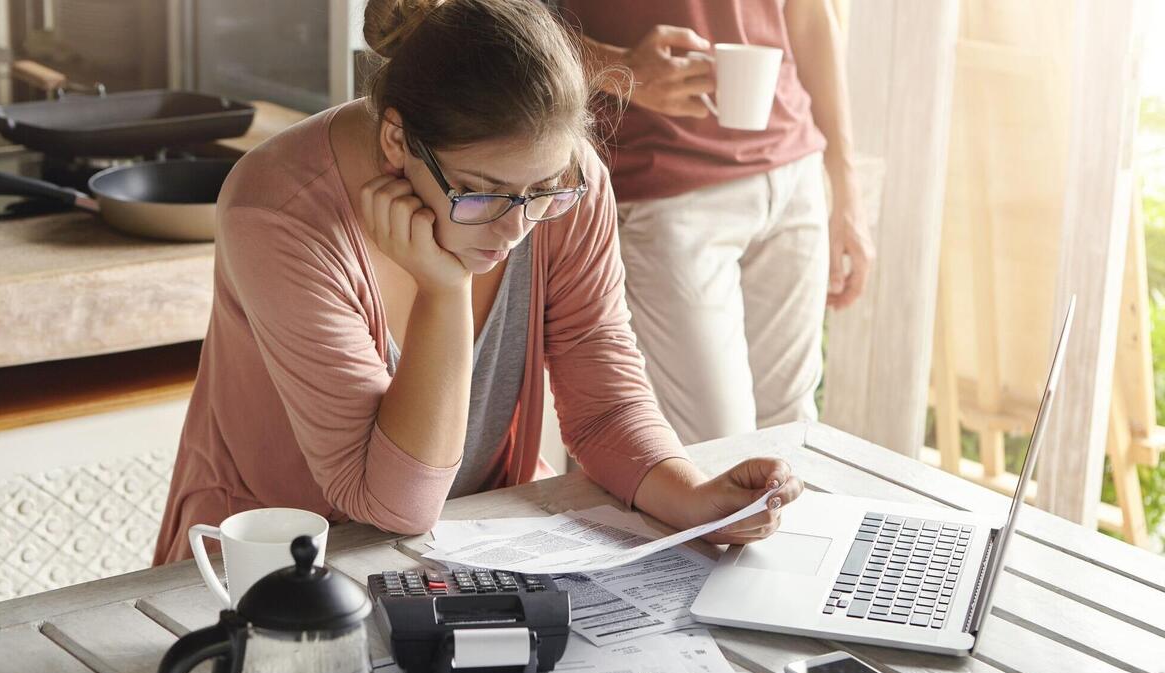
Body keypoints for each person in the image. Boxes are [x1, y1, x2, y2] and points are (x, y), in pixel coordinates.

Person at [152, 0, 803, 564]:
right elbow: (392, 503)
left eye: (543, 190)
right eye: (483, 195)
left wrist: (692, 495)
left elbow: (603, 405)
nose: (516, 227)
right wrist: (445, 287)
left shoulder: (570, 187)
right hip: (270, 569)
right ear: (396, 141)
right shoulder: (278, 212)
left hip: (469, 550)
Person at [557, 0, 875, 445]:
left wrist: (846, 186)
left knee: (793, 430)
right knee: (716, 445)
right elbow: (499, 20)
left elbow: (808, 12)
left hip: (793, 174)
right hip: (666, 190)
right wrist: (620, 66)